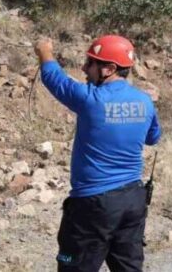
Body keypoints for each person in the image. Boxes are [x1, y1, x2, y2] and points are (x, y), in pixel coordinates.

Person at [34, 35, 162, 272]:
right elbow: (152, 138)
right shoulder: (145, 101)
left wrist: (44, 51)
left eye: (90, 63)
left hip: (93, 205)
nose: (84, 68)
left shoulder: (90, 99)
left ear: (109, 69)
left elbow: (54, 78)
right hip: (132, 201)